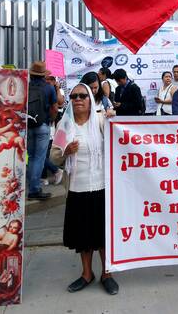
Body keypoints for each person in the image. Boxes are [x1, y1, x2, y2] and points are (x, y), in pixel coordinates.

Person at [51, 84, 118, 295]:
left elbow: (118, 138)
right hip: (78, 189)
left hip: (101, 186)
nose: (77, 99)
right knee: (83, 235)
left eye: (82, 96)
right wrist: (65, 152)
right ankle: (87, 274)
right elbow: (53, 156)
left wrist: (113, 119)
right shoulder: (65, 124)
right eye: (73, 96)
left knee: (102, 234)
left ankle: (107, 274)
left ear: (90, 99)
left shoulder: (100, 121)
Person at [27, 61, 58, 200]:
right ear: (43, 75)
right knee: (39, 158)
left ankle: (32, 186)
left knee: (31, 157)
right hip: (43, 125)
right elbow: (55, 108)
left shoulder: (25, 87)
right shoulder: (49, 88)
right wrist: (50, 120)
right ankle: (34, 190)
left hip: (27, 126)